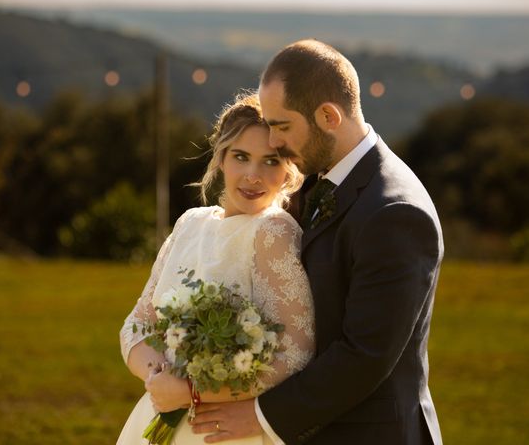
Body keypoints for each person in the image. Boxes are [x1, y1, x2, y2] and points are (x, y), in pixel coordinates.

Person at [190, 39, 444, 444]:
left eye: (282, 126)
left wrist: (259, 416)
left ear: (328, 116)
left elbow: (364, 357)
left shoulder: (394, 213)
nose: (273, 141)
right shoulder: (316, 179)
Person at [117, 92, 315, 445]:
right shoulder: (190, 224)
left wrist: (193, 393)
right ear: (221, 158)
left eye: (270, 161)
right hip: (161, 410)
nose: (253, 175)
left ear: (288, 170)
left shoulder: (273, 233)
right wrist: (159, 379)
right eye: (241, 157)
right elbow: (136, 325)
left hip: (227, 431)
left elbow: (297, 351)